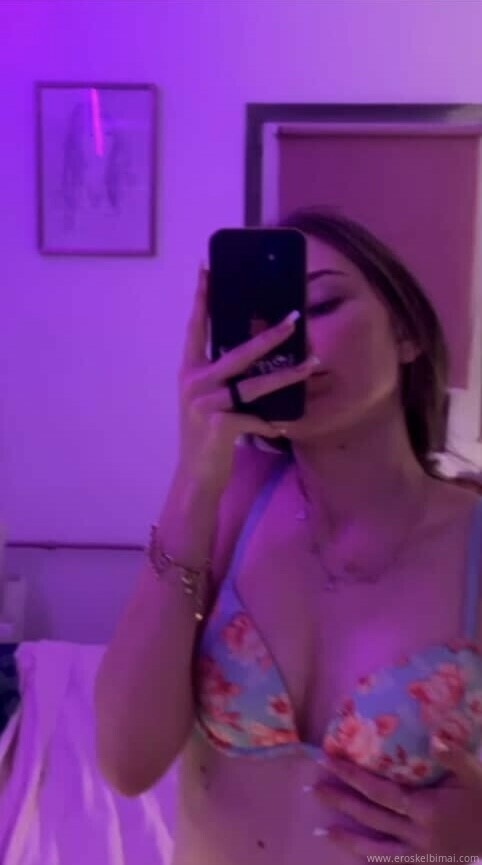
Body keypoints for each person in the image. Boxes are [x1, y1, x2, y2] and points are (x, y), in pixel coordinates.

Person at [94, 208, 482, 864]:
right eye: (263, 320)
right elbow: (126, 762)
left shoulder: (472, 538)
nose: (288, 337)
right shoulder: (229, 502)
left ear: (407, 333)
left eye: (322, 305)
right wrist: (194, 479)